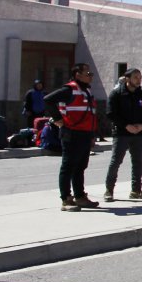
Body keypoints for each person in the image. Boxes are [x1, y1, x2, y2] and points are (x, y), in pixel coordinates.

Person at [43, 63, 100, 212]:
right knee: (68, 166)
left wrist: (92, 135)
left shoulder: (86, 90)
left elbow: (90, 114)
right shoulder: (70, 89)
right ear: (77, 75)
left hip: (85, 134)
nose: (90, 76)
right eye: (88, 73)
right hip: (71, 133)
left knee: (80, 166)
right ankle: (66, 199)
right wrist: (57, 118)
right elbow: (48, 100)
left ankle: (80, 196)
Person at [104, 68, 142, 201]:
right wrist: (126, 126)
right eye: (135, 77)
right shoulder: (117, 93)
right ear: (127, 79)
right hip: (122, 133)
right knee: (116, 161)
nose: (138, 80)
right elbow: (110, 113)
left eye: (140, 77)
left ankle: (136, 190)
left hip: (139, 133)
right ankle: (109, 190)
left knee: (137, 162)